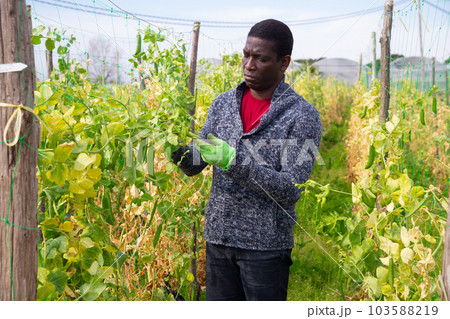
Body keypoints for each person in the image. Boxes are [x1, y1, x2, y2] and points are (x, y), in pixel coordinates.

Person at [171, 19, 322, 301]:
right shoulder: (223, 104)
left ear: (283, 63)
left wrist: (233, 162)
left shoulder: (301, 116)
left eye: (261, 58)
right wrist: (171, 146)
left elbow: (290, 190)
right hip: (219, 238)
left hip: (265, 247)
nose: (249, 65)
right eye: (247, 55)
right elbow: (194, 164)